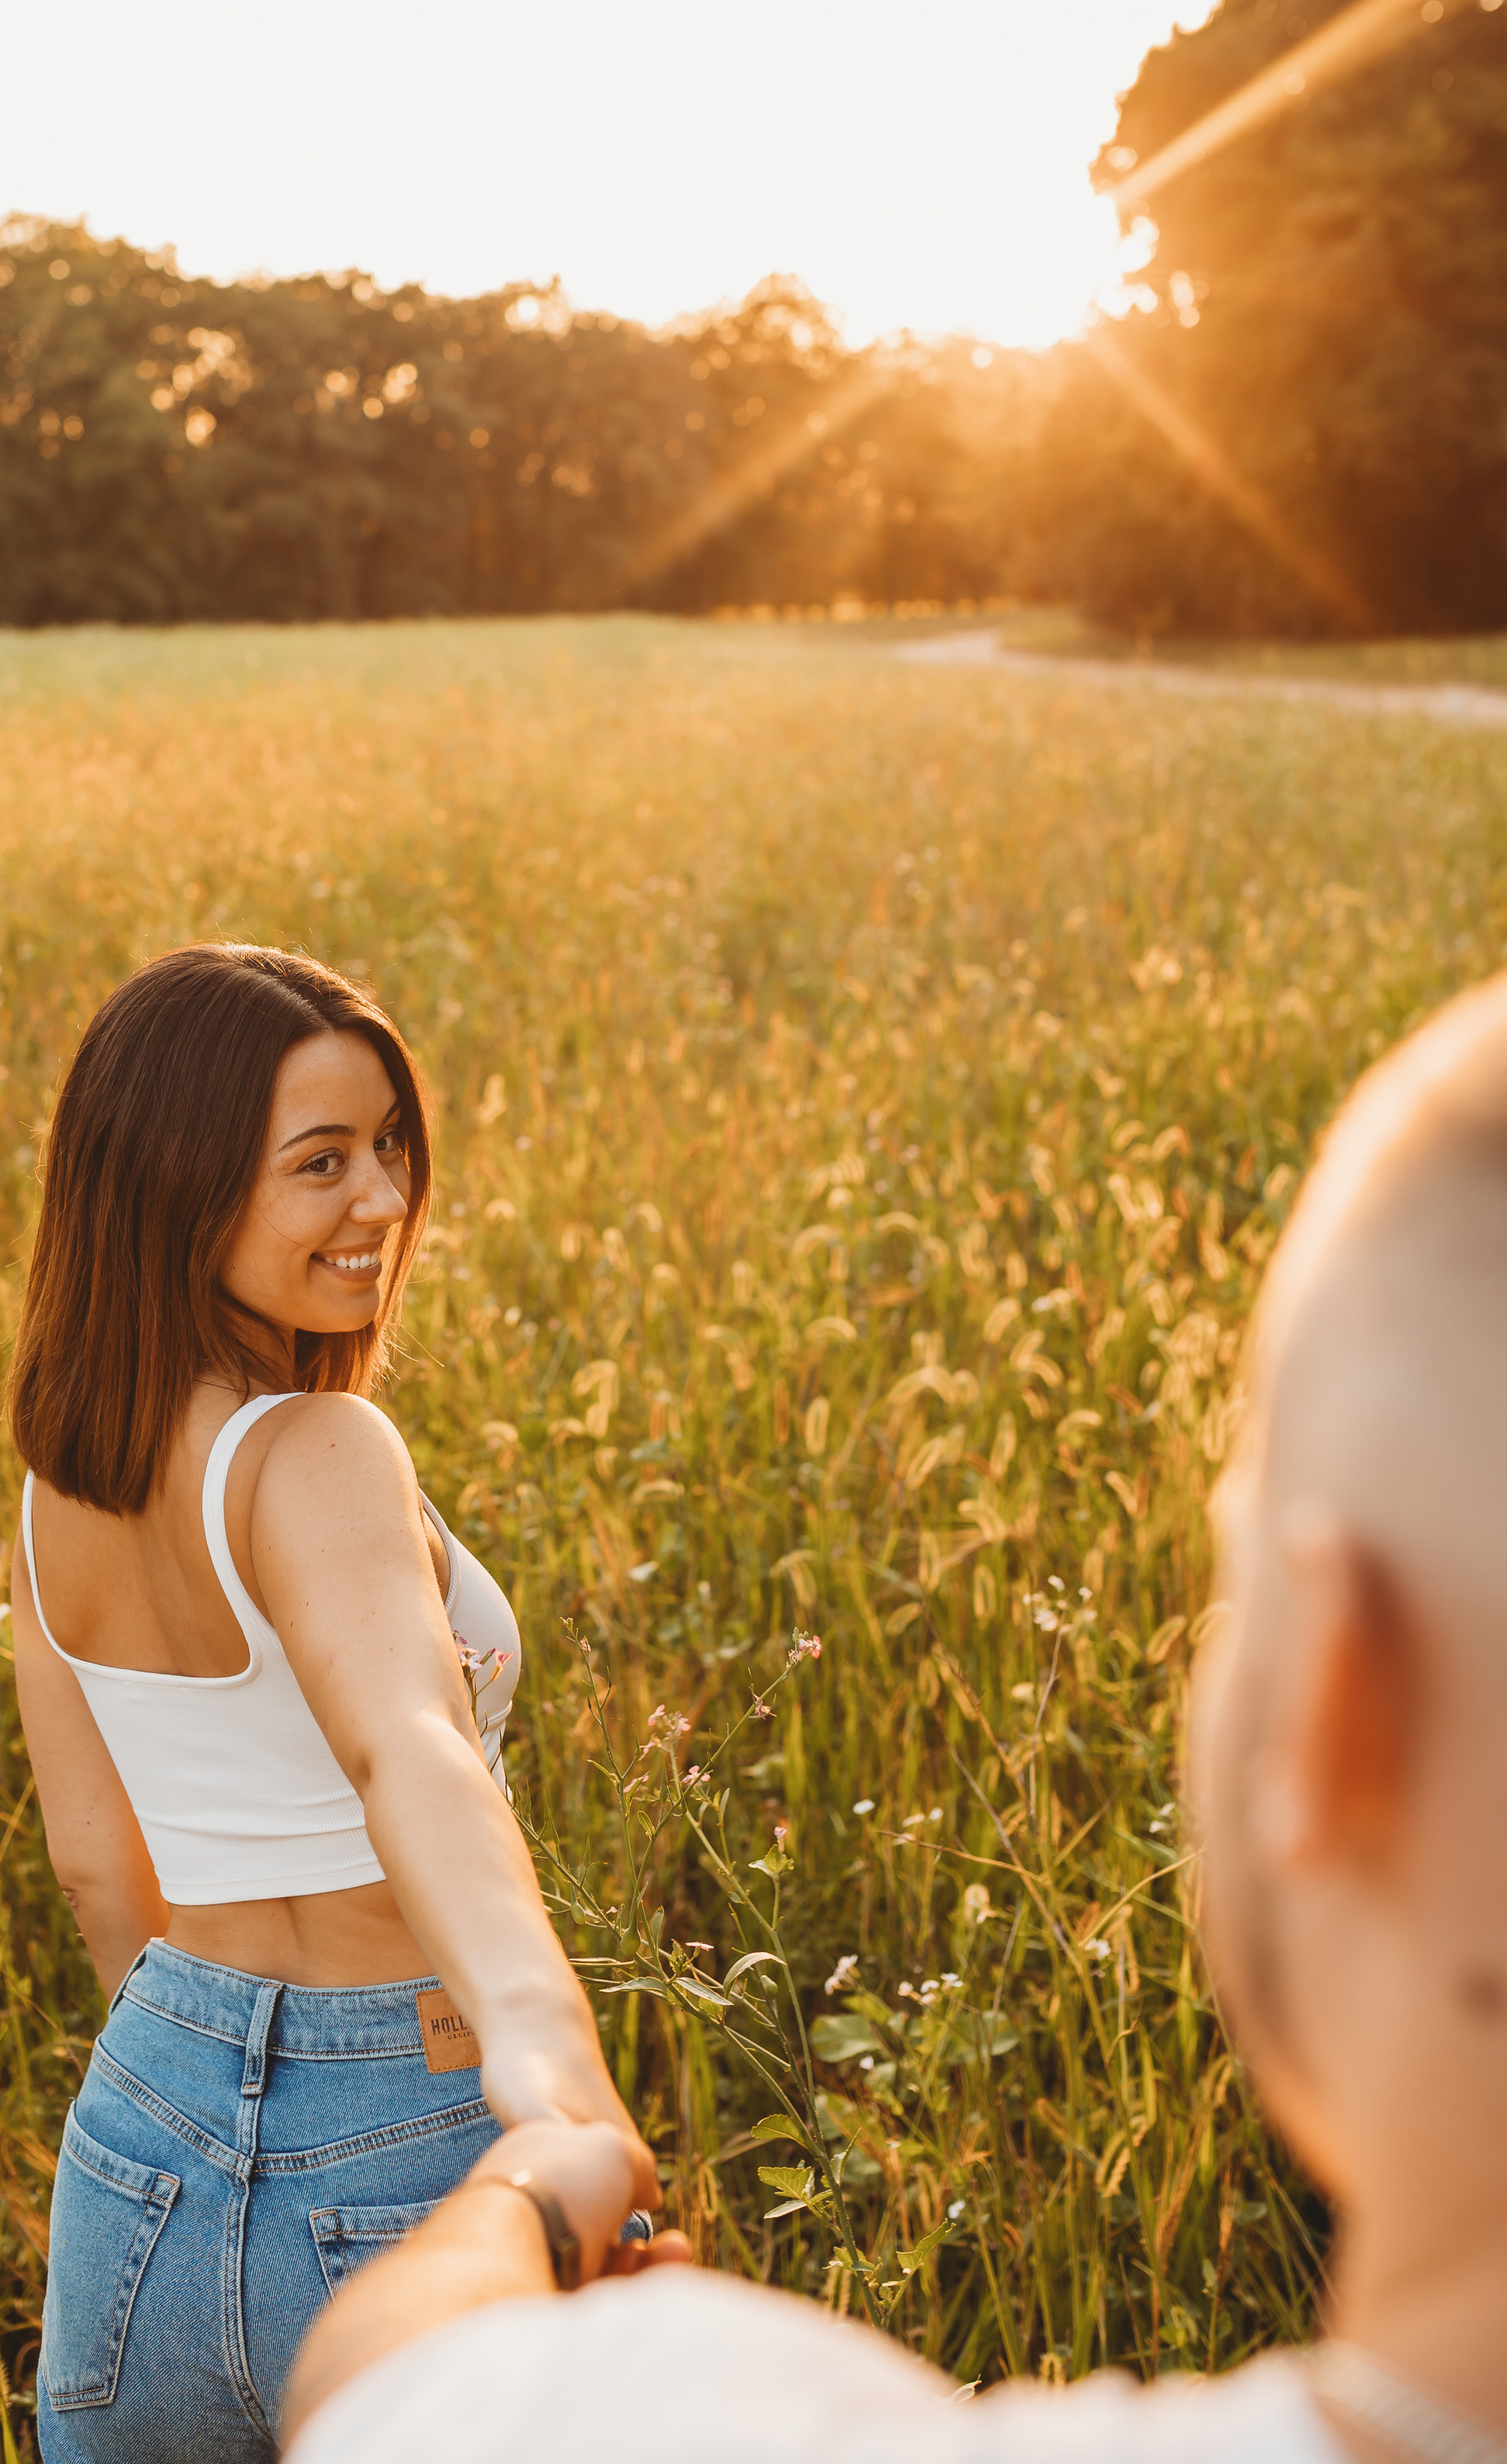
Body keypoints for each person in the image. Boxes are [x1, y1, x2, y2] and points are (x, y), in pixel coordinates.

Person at [282, 973, 1507, 2463]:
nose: (383, 1198)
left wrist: (527, 2193)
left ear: (1336, 1699)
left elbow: (366, 2383)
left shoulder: (702, 2416)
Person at [5, 944, 652, 2462]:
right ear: (178, 1184)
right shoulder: (315, 1448)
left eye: (386, 1147)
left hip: (137, 2143)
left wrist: (217, 2095)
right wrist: (554, 2071)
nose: (381, 1199)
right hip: (408, 2131)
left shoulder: (56, 1485)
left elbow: (98, 1868)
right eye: (318, 1164)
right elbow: (413, 1749)